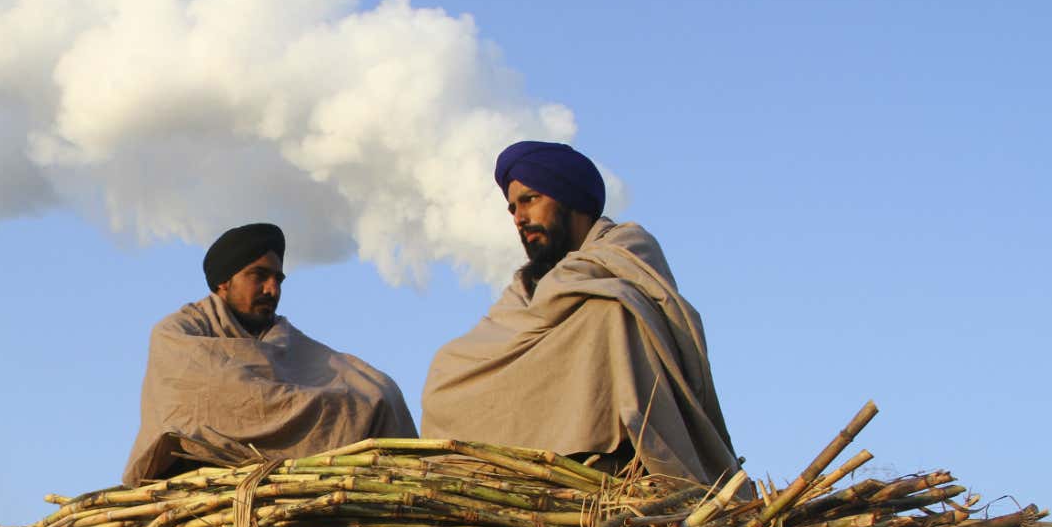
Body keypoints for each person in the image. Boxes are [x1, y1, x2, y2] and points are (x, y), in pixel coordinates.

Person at [421, 141, 740, 487]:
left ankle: (606, 453)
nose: (519, 218)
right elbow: (507, 335)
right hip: (538, 473)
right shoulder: (526, 287)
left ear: (568, 198)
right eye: (512, 207)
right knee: (445, 365)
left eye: (530, 200)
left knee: (611, 312)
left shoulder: (624, 248)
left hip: (617, 471)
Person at [122, 223, 417, 486]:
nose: (272, 289)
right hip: (195, 486)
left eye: (278, 279)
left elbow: (367, 386)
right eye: (259, 276)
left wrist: (362, 402)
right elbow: (212, 397)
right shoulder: (178, 333)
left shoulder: (286, 340)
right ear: (224, 282)